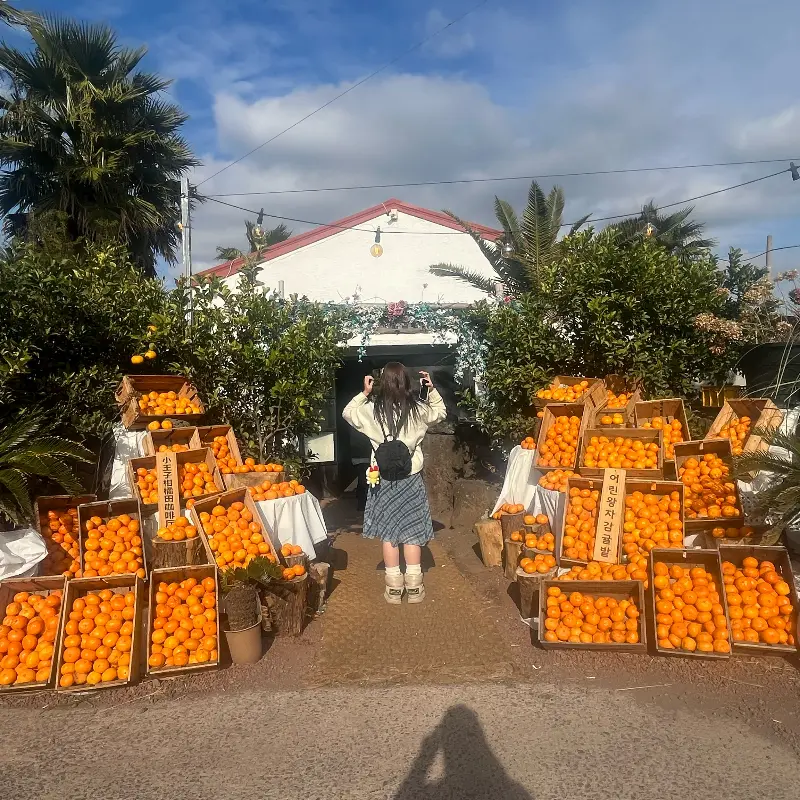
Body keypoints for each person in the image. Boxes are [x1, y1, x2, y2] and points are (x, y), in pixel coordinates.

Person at [342, 363, 446, 604]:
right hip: (411, 479)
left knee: (389, 533)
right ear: (407, 382)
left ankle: (394, 588)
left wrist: (364, 393)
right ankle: (415, 587)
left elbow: (347, 412)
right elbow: (440, 412)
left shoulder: (370, 411)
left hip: (382, 480)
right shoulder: (418, 410)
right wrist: (431, 390)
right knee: (412, 532)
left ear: (382, 383)